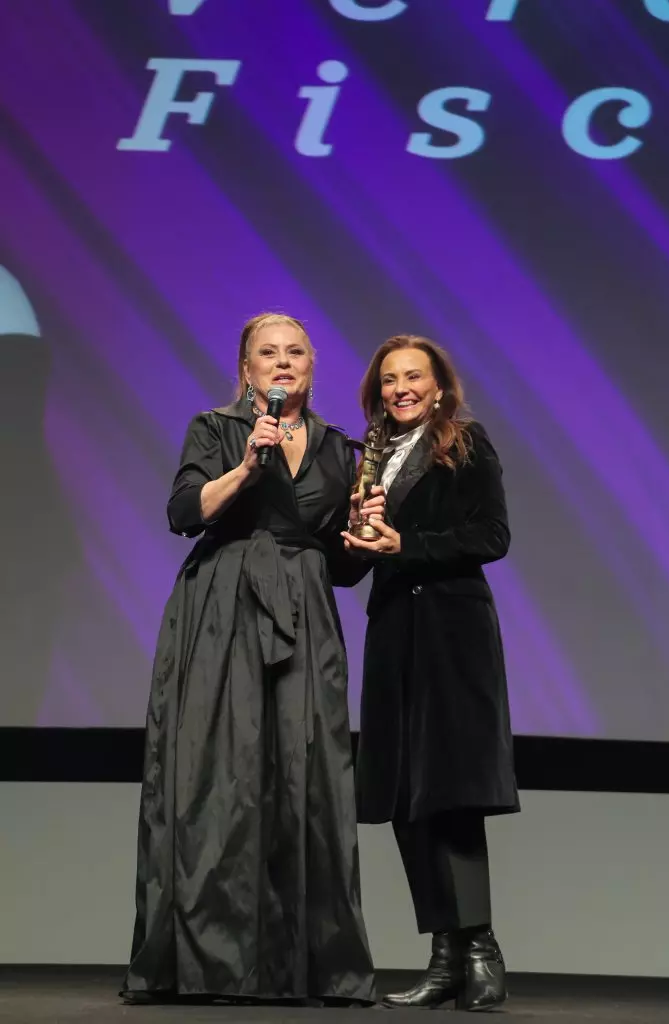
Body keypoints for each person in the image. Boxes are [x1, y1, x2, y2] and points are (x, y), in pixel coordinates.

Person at [121, 312, 382, 1006]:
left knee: (309, 777)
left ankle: (309, 965)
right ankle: (215, 963)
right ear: (246, 368)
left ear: (312, 365)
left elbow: (335, 564)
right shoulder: (217, 427)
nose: (283, 362)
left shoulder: (336, 447)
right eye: (268, 353)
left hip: (304, 615)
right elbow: (183, 511)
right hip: (223, 610)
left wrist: (363, 541)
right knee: (222, 781)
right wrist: (244, 469)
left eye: (295, 352)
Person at [342, 334, 519, 1012]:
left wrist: (405, 545)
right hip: (393, 634)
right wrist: (355, 540)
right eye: (389, 380)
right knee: (405, 797)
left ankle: (481, 951)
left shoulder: (465, 444)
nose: (401, 388)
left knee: (450, 791)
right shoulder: (373, 459)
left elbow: (491, 536)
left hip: (452, 633)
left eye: (413, 376)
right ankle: (445, 955)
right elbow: (359, 560)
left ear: (439, 386)